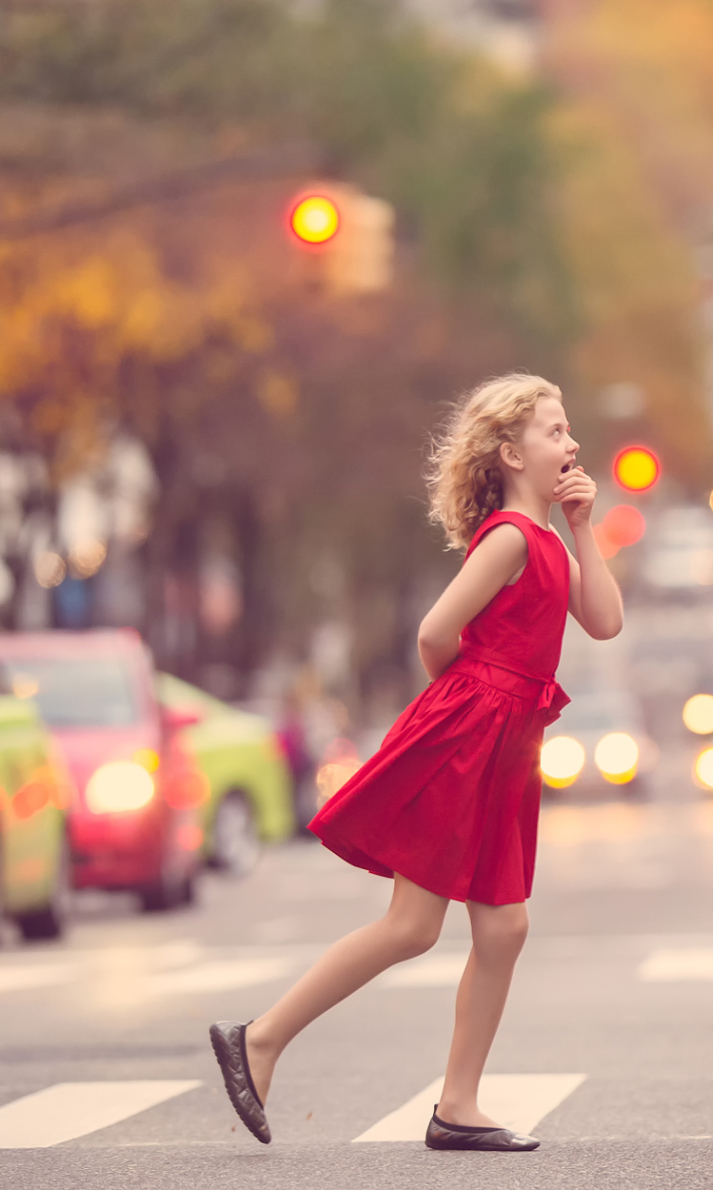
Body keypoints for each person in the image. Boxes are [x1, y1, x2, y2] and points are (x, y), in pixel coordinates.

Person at [210, 372, 623, 1153]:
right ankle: (258, 1039)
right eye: (554, 432)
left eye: (569, 431)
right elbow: (436, 633)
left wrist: (584, 529)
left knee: (502, 930)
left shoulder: (547, 544)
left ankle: (458, 1106)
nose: (571, 445)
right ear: (509, 452)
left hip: (510, 750)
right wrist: (471, 706)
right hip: (471, 740)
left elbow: (603, 621)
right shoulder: (506, 540)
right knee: (411, 927)